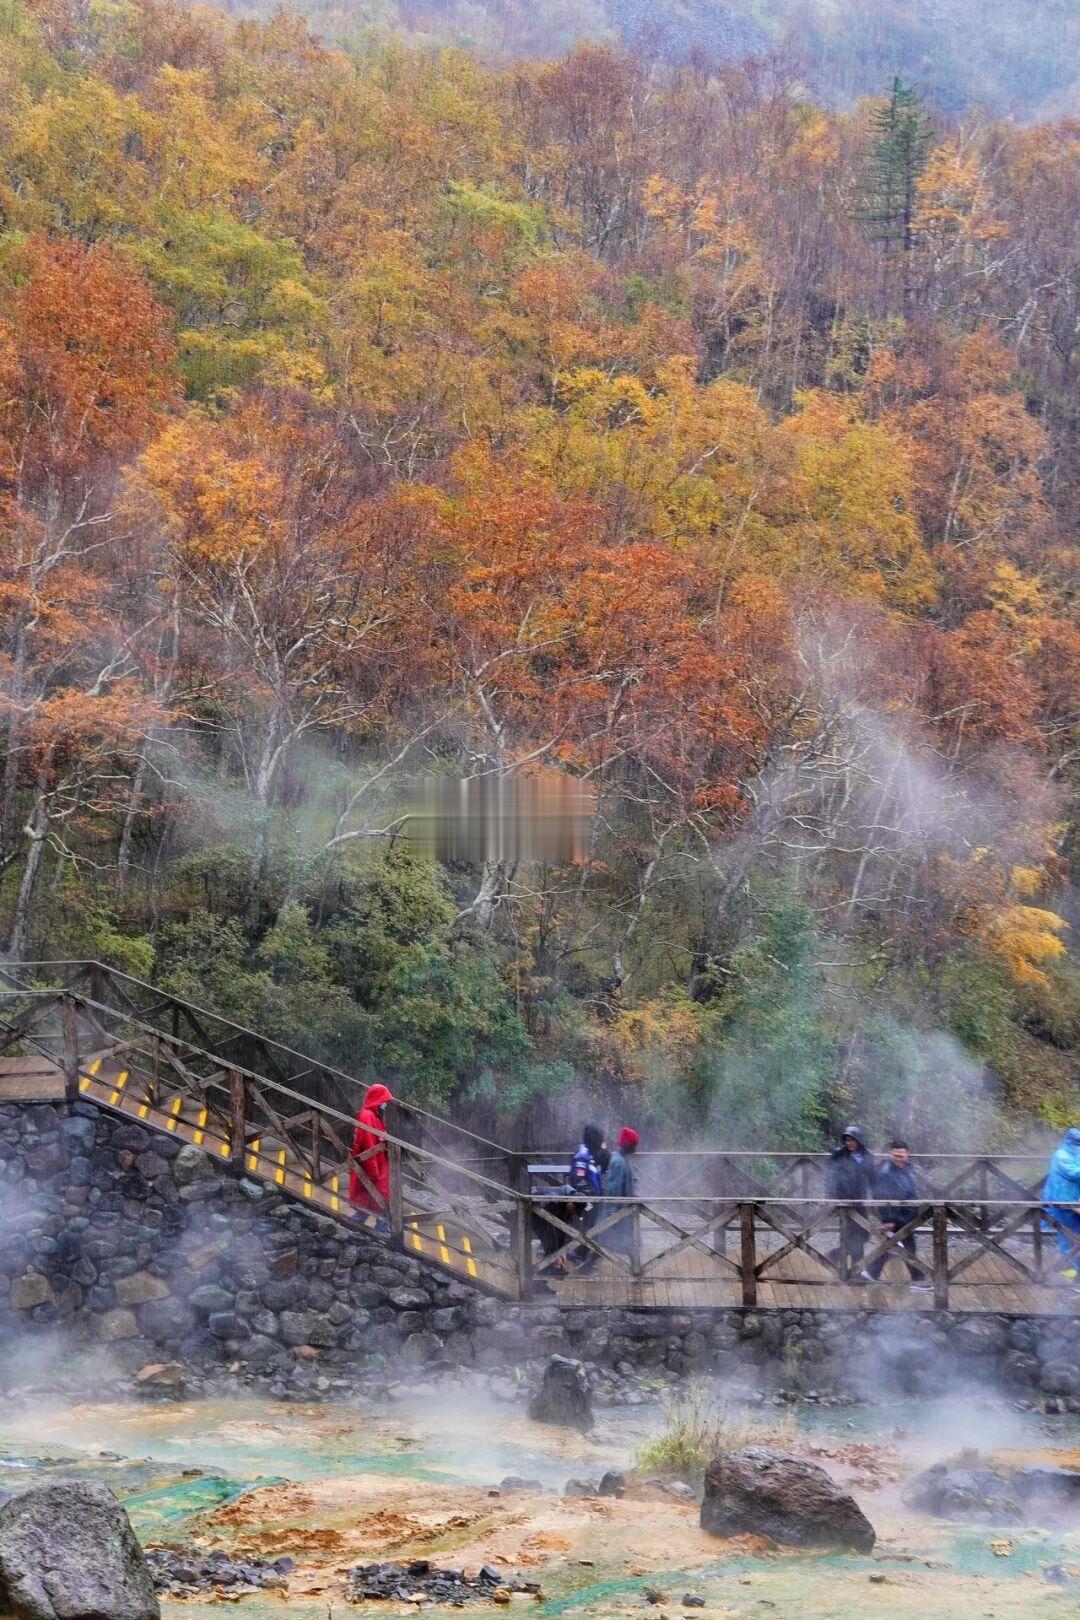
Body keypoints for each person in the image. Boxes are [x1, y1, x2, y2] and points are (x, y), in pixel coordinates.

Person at [864, 1141, 929, 1287]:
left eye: (902, 1155)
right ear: (891, 1154)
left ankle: (871, 1272)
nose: (899, 1157)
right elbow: (881, 1197)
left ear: (907, 1154)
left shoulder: (909, 1168)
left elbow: (912, 1191)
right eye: (896, 1155)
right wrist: (888, 1219)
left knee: (897, 1245)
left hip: (908, 1214)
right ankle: (919, 1280)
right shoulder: (886, 1173)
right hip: (897, 1216)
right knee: (905, 1247)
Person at [827, 1125, 875, 1277]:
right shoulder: (839, 1155)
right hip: (844, 1201)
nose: (849, 1143)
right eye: (846, 1140)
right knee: (854, 1236)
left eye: (852, 1140)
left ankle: (836, 1254)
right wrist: (831, 1196)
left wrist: (877, 1195)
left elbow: (872, 1177)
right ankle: (857, 1271)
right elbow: (829, 1177)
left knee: (865, 1234)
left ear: (858, 1141)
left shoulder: (868, 1156)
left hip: (860, 1200)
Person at [349, 1082, 394, 1231]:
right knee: (376, 1192)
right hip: (373, 1163)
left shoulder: (375, 1115)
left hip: (379, 1162)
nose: (385, 1105)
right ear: (377, 1100)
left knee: (375, 1193)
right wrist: (373, 1170)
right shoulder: (367, 1116)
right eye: (384, 1102)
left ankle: (365, 1219)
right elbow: (368, 1144)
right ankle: (379, 1225)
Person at [1043, 1126, 1080, 1280]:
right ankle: (1068, 1273)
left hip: (1074, 1201)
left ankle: (1074, 1272)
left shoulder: (1073, 1154)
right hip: (1062, 1201)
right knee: (1067, 1236)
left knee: (1075, 1235)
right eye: (1077, 1144)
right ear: (1070, 1143)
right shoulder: (1062, 1156)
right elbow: (1075, 1173)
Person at [569, 1124, 605, 1269]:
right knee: (587, 1227)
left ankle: (585, 1256)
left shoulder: (588, 1152)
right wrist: (588, 1196)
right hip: (585, 1200)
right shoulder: (582, 1156)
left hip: (591, 1198)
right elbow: (580, 1180)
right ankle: (581, 1257)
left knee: (592, 1227)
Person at [602, 1127, 639, 1257]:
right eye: (634, 1145)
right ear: (628, 1145)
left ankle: (635, 1269)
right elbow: (613, 1187)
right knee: (609, 1241)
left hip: (626, 1208)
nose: (635, 1148)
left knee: (632, 1243)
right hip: (620, 1209)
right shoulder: (618, 1161)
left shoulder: (623, 1158)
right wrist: (612, 1210)